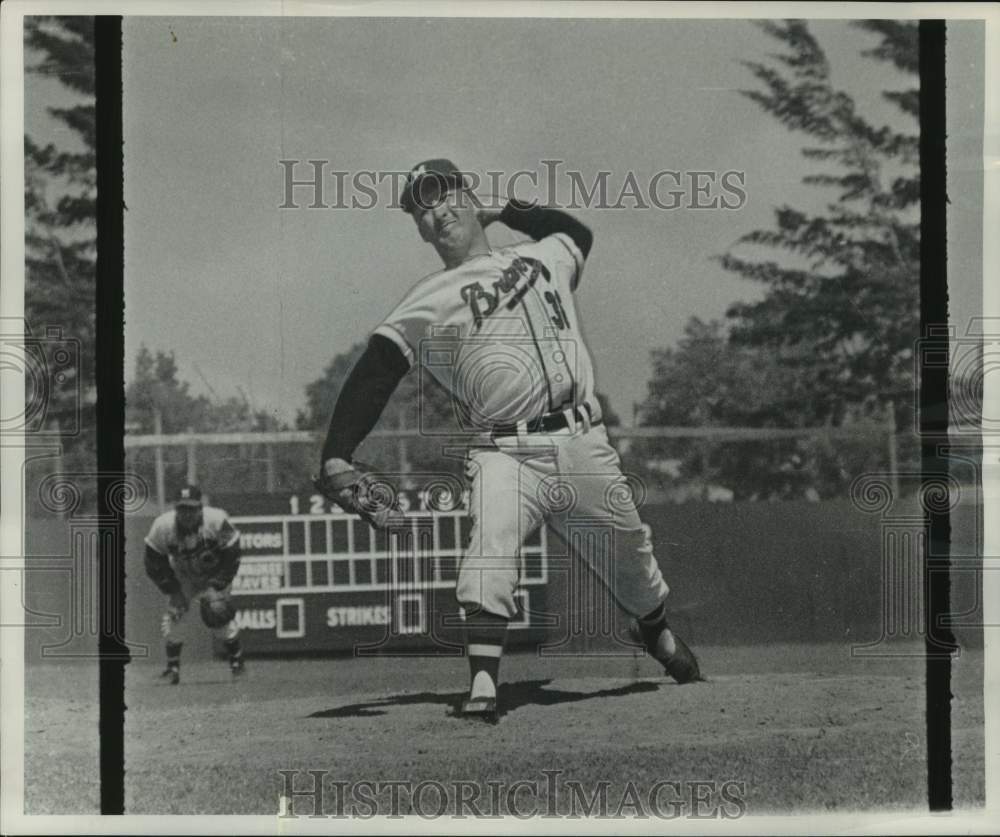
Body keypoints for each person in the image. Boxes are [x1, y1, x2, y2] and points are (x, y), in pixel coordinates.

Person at [316, 159, 702, 721]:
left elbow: (576, 233)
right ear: (419, 229)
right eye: (422, 207)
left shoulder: (542, 255)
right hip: (504, 451)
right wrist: (336, 453)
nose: (436, 210)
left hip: (580, 437)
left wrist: (511, 211)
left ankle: (655, 631)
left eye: (444, 194)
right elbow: (376, 369)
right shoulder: (431, 295)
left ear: (469, 197)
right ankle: (482, 684)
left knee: (632, 559)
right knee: (488, 551)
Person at [143, 484, 245, 684]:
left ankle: (236, 661)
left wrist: (217, 585)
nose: (186, 514)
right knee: (174, 616)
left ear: (200, 507)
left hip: (214, 573)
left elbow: (232, 554)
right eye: (182, 509)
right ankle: (172, 668)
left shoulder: (216, 520)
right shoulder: (162, 526)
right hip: (184, 575)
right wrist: (173, 590)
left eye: (191, 508)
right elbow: (153, 562)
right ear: (175, 509)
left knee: (216, 614)